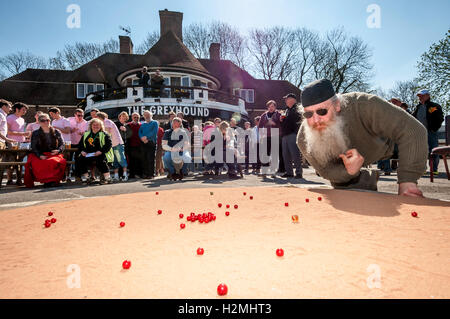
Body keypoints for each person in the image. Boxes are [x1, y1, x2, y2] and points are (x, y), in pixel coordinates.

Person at [296, 78, 428, 196]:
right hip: (348, 162)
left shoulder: (365, 105)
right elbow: (326, 170)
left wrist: (408, 181)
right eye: (308, 114)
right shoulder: (303, 139)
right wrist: (349, 172)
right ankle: (364, 177)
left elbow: (414, 131)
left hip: (389, 146)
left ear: (337, 105)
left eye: (322, 111)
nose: (316, 120)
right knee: (350, 196)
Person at [24, 114, 66, 188]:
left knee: (53, 161)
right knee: (40, 163)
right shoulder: (35, 133)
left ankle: (53, 181)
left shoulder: (57, 131)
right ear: (39, 122)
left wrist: (58, 151)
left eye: (48, 120)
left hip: (54, 153)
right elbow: (33, 147)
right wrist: (39, 155)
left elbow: (62, 144)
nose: (46, 122)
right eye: (43, 121)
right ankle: (46, 181)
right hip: (40, 153)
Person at [412, 89, 444, 175]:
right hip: (420, 133)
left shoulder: (434, 106)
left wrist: (434, 129)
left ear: (427, 96)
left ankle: (434, 169)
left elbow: (440, 118)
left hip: (431, 132)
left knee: (433, 151)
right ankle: (422, 169)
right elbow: (412, 118)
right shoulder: (417, 107)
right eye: (419, 96)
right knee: (421, 151)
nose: (420, 98)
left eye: (422, 96)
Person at [75, 118, 113, 184]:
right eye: (94, 125)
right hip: (88, 154)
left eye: (97, 125)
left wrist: (100, 151)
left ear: (101, 126)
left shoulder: (104, 134)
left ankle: (107, 178)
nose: (95, 126)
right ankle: (87, 178)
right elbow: (80, 145)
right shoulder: (86, 134)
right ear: (91, 126)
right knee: (80, 159)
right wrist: (82, 151)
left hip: (100, 153)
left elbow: (108, 145)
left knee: (101, 160)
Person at [96, 112, 129, 182]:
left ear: (99, 117)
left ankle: (125, 175)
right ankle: (116, 176)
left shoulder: (107, 122)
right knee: (115, 161)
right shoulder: (104, 123)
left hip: (117, 143)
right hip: (112, 145)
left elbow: (107, 134)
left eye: (97, 118)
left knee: (121, 159)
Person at [6, 102, 31, 186]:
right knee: (12, 161)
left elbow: (20, 132)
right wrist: (22, 134)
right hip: (11, 143)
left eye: (25, 110)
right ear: (17, 109)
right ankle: (9, 180)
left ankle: (19, 180)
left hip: (22, 143)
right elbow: (8, 131)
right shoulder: (9, 118)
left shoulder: (22, 119)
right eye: (23, 110)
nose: (25, 111)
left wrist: (25, 137)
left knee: (19, 161)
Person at [280, 93, 303, 179]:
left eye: (287, 99)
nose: (285, 100)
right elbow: (285, 121)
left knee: (295, 154)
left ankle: (299, 172)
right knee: (286, 155)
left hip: (293, 134)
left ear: (292, 99)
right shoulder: (286, 109)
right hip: (284, 135)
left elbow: (297, 120)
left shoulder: (297, 108)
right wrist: (281, 119)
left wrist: (285, 118)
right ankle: (289, 172)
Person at [258, 100, 282, 176]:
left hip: (275, 135)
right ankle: (264, 171)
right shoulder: (264, 115)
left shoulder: (279, 115)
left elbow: (282, 125)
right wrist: (262, 135)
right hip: (266, 136)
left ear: (275, 107)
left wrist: (275, 123)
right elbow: (260, 126)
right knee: (265, 154)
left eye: (272, 106)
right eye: (269, 106)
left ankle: (273, 171)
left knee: (274, 154)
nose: (271, 108)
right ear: (267, 107)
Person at [49, 107, 72, 181]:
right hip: (57, 144)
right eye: (50, 114)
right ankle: (61, 175)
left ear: (57, 113)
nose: (51, 116)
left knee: (66, 160)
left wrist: (57, 128)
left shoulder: (65, 120)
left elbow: (68, 131)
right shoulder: (53, 121)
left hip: (66, 143)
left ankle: (67, 176)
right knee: (58, 161)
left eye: (52, 114)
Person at [68, 109, 88, 181]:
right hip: (69, 143)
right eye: (79, 115)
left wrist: (83, 134)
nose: (81, 117)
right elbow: (65, 129)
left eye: (82, 115)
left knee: (78, 160)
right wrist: (71, 130)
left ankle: (78, 176)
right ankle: (66, 176)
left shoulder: (86, 123)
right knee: (68, 159)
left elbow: (87, 133)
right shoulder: (69, 120)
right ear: (75, 115)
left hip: (79, 143)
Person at [0, 99, 16, 188]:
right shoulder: (0, 115)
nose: (10, 109)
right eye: (9, 107)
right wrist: (6, 138)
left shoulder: (3, 115)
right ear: (4, 106)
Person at [139, 110, 159, 179]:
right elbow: (140, 132)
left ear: (151, 115)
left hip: (151, 142)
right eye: (145, 115)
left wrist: (146, 137)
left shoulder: (155, 123)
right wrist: (142, 138)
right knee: (144, 158)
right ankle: (145, 174)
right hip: (143, 142)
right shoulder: (143, 124)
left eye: (148, 115)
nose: (146, 116)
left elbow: (154, 132)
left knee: (151, 159)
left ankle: (151, 174)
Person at [127, 112, 143, 178]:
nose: (136, 118)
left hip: (140, 145)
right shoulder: (128, 125)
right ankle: (132, 174)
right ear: (132, 118)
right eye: (134, 117)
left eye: (137, 117)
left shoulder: (141, 125)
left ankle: (139, 173)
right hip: (131, 145)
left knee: (139, 160)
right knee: (131, 160)